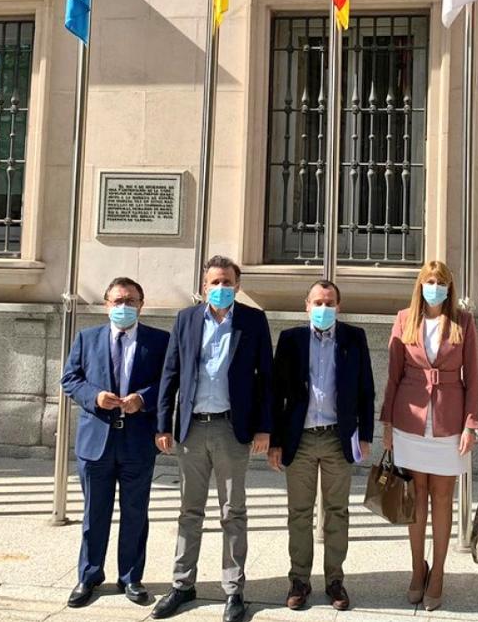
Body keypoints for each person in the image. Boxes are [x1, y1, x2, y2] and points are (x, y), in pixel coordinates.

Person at [152, 257, 273, 622]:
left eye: (228, 281)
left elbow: (265, 378)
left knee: (233, 512)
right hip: (191, 429)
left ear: (237, 285)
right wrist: (163, 424)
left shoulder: (253, 321)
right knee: (190, 511)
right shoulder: (186, 319)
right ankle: (182, 584)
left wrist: (265, 428)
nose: (221, 286)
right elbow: (170, 372)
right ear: (204, 286)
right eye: (214, 281)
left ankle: (234, 590)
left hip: (231, 429)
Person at [61, 277, 169, 608]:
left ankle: (131, 578)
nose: (124, 306)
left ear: (141, 303)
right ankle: (89, 576)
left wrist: (143, 399)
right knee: (95, 513)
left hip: (137, 441)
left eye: (131, 300)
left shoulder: (159, 340)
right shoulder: (87, 338)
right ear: (106, 304)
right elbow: (70, 379)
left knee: (135, 512)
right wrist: (94, 396)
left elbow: (168, 381)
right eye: (118, 301)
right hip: (96, 441)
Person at [268, 280, 375, 611]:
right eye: (318, 302)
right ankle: (299, 580)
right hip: (299, 439)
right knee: (299, 512)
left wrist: (366, 435)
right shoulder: (291, 340)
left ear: (339, 307)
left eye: (329, 303)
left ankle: (334, 581)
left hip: (335, 438)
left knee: (337, 512)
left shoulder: (353, 338)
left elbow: (366, 390)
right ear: (306, 306)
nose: (323, 308)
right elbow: (275, 393)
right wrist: (274, 441)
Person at [380, 260, 478, 611]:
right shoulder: (404, 318)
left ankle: (438, 571)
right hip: (410, 421)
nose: (434, 286)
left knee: (442, 498)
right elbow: (393, 375)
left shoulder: (463, 322)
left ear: (449, 287)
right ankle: (416, 569)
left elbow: (473, 377)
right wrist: (387, 423)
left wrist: (471, 424)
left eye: (440, 281)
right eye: (429, 280)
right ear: (420, 284)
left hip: (449, 422)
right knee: (415, 499)